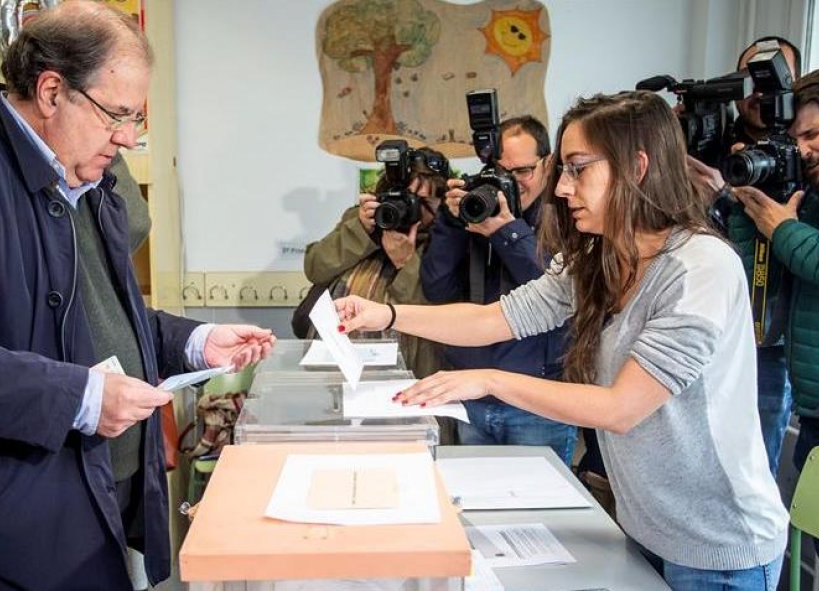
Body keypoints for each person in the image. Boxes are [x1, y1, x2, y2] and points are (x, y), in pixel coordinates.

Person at [0, 3, 275, 589]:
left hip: (92, 502)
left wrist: (195, 343)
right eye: (116, 114)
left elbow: (95, 319)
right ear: (51, 91)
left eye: (136, 118)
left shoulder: (86, 179)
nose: (126, 137)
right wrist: (78, 396)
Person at [336, 91, 788, 590]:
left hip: (718, 549)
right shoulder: (598, 257)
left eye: (578, 170)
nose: (563, 189)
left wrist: (489, 380)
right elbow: (495, 319)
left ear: (636, 166)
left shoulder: (700, 267)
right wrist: (388, 312)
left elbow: (619, 408)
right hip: (645, 529)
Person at [420, 116, 575, 464]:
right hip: (472, 398)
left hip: (537, 401)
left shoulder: (567, 216)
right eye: (500, 170)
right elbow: (437, 288)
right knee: (473, 510)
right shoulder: (477, 210)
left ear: (548, 164)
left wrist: (507, 231)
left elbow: (555, 295)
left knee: (541, 511)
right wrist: (452, 220)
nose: (511, 182)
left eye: (523, 171)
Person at [689, 37, 802, 479]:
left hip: (769, 339)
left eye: (773, 83)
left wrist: (726, 197)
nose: (761, 94)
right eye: (752, 81)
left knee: (752, 470)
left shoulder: (805, 156)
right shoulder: (710, 141)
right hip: (705, 327)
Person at [731, 67, 819, 560]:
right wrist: (746, 209)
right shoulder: (806, 200)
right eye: (796, 138)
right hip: (814, 406)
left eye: (814, 134)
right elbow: (760, 286)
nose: (803, 150)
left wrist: (781, 229)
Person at [303, 147, 450, 381]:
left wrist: (405, 262)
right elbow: (315, 269)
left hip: (409, 369)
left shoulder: (447, 238)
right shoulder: (362, 221)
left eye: (423, 201)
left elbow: (431, 317)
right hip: (342, 362)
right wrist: (359, 232)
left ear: (441, 203)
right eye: (403, 195)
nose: (409, 206)